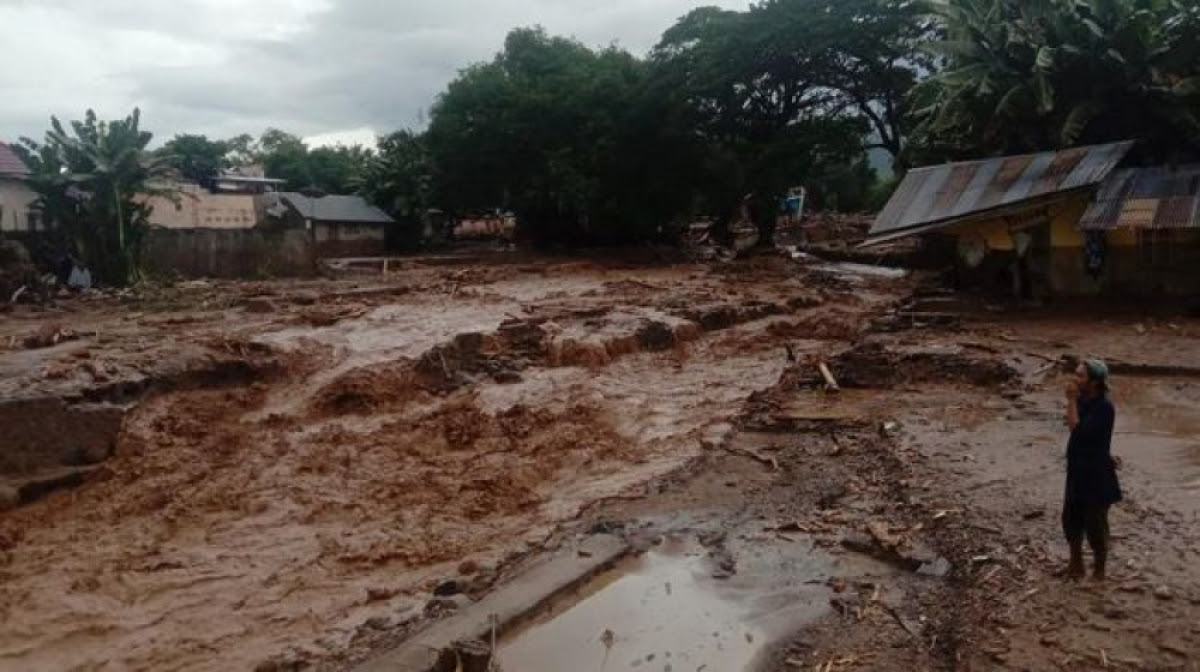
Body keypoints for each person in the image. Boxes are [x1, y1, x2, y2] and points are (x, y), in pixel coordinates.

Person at [1062, 358, 1122, 580]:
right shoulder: (1085, 399)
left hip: (1095, 474)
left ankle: (1099, 572)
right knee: (1071, 518)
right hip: (1077, 469)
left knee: (1095, 525)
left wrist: (1070, 401)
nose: (1075, 379)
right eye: (1076, 374)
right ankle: (1075, 564)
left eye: (1080, 376)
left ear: (1095, 382)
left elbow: (1075, 429)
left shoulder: (1104, 407)